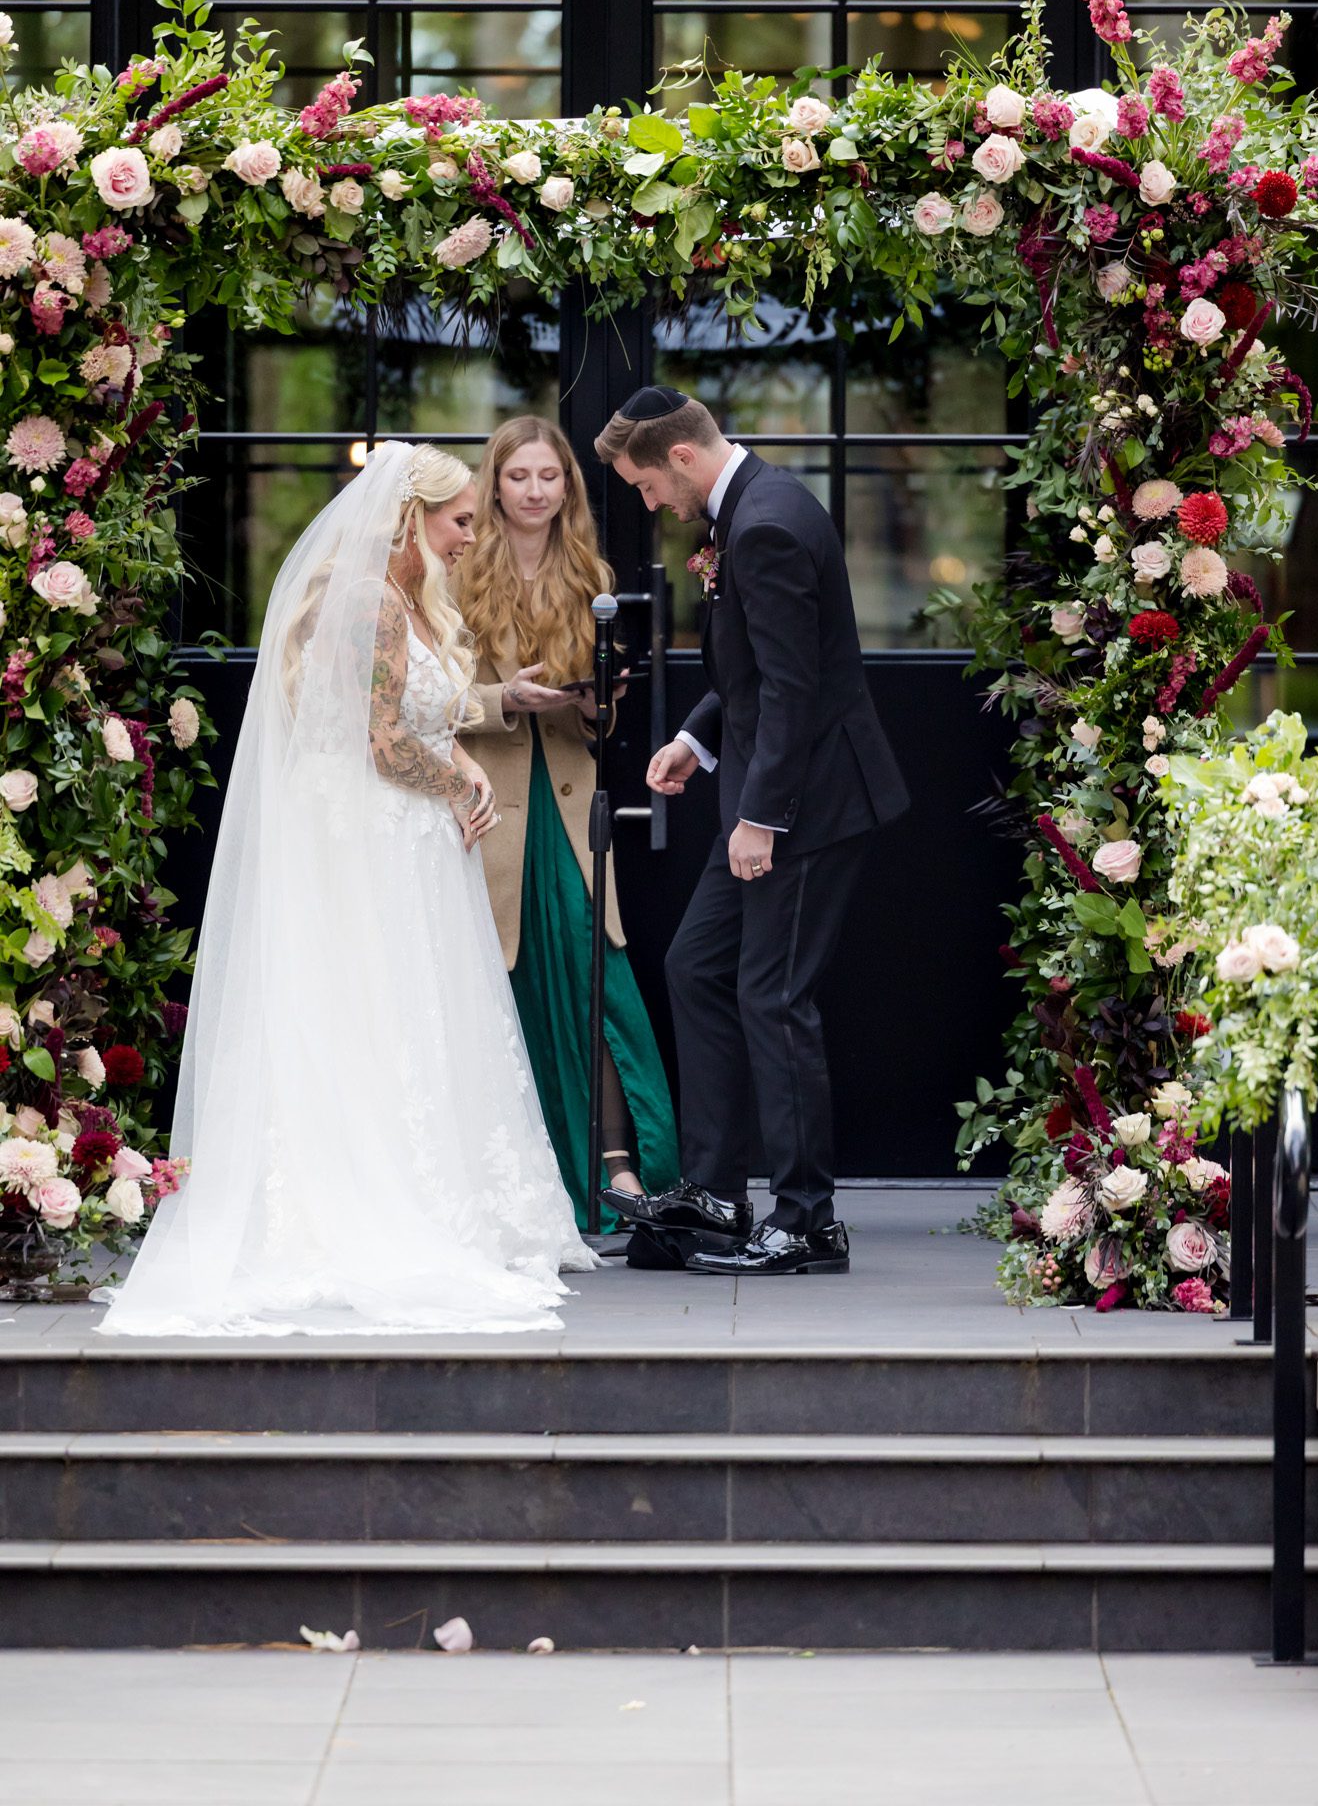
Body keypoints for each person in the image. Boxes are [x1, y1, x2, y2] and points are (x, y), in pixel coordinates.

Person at [98, 441, 595, 1337]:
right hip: (374, 840)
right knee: (371, 1013)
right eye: (458, 521)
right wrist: (458, 781)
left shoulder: (401, 598)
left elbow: (414, 724)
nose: (468, 537)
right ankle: (363, 1207)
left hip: (403, 837)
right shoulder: (367, 601)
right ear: (410, 517)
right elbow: (380, 742)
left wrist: (455, 768)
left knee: (404, 1018)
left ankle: (429, 1193)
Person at [594, 387, 909, 1277]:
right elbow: (755, 670)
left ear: (682, 459)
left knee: (772, 998)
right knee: (696, 966)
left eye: (647, 486)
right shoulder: (751, 507)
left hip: (810, 806)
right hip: (775, 791)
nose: (650, 504)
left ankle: (807, 1221)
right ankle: (718, 1193)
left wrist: (759, 817)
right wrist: (696, 738)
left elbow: (792, 689)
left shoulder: (764, 524)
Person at [459, 415, 678, 1229]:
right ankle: (512, 1177)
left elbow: (603, 723)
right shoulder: (457, 573)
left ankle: (620, 1166)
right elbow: (423, 703)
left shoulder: (592, 570)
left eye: (549, 477)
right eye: (519, 476)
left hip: (570, 806)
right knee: (499, 987)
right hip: (489, 814)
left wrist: (598, 700)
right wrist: (501, 699)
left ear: (568, 488)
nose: (535, 491)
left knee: (597, 984)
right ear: (494, 485)